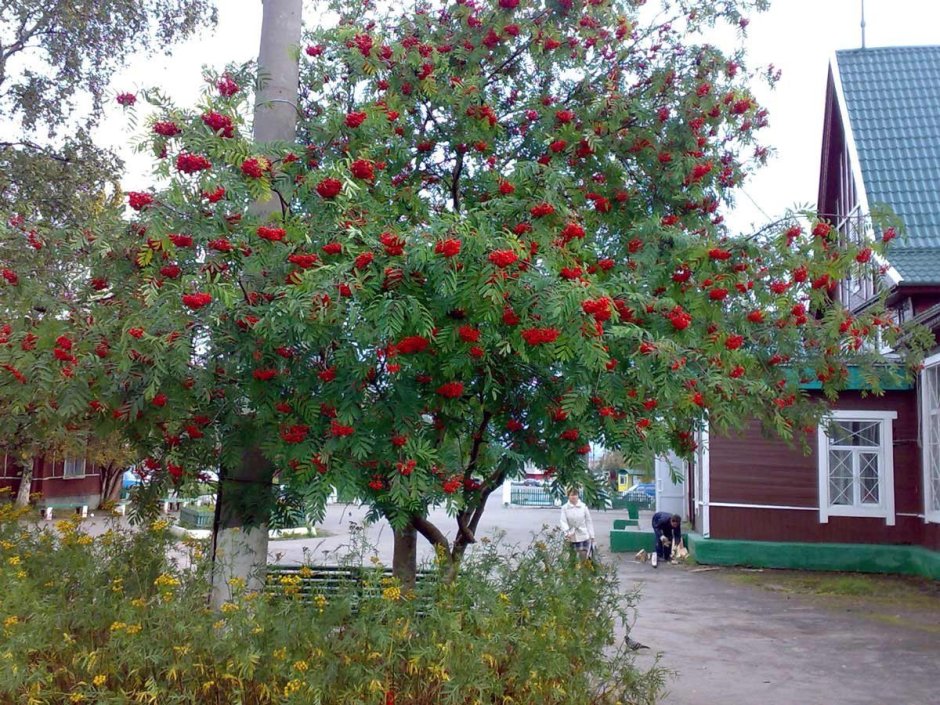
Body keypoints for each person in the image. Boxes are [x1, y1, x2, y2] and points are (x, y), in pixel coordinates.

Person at [560, 488, 595, 560]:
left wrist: (592, 535)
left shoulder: (583, 506)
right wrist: (567, 532)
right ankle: (572, 570)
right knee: (571, 557)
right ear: (568, 496)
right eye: (572, 495)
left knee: (583, 555)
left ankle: (583, 570)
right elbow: (563, 521)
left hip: (583, 534)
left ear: (578, 496)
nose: (574, 497)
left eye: (575, 495)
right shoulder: (564, 508)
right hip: (571, 535)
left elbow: (588, 521)